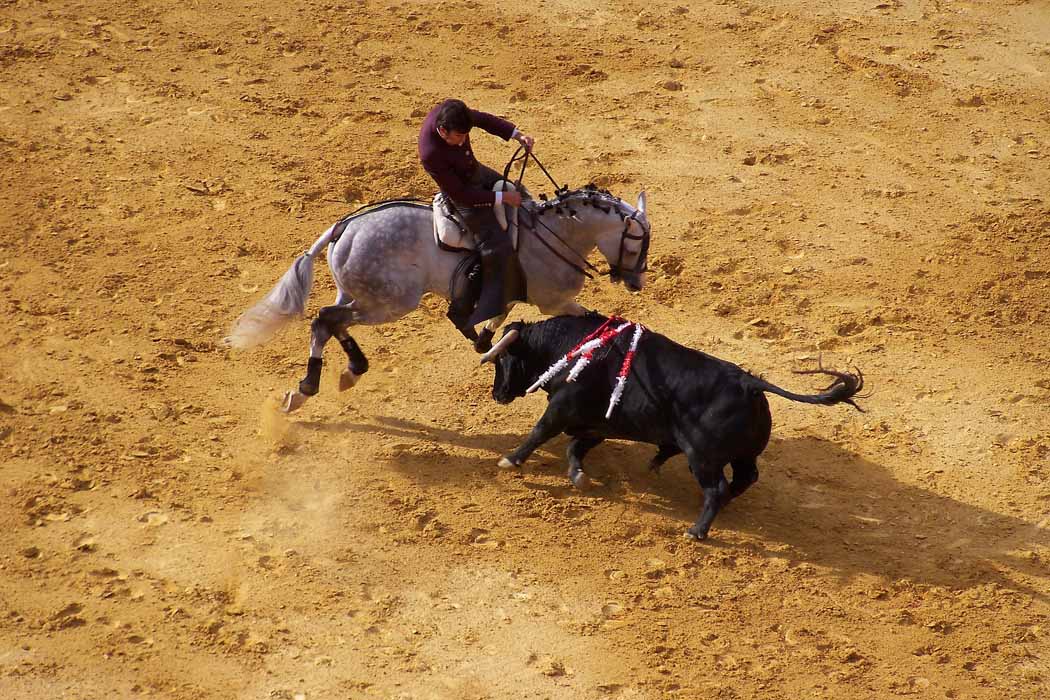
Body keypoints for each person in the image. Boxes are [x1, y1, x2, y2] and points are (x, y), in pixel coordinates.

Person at [418, 98, 535, 343]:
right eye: (457, 138)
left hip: (474, 171)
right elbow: (461, 194)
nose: (462, 141)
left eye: (464, 136)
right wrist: (500, 197)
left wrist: (516, 134)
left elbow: (482, 119)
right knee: (497, 247)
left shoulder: (452, 111)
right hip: (462, 195)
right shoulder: (431, 153)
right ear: (442, 131)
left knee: (522, 198)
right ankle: (462, 310)